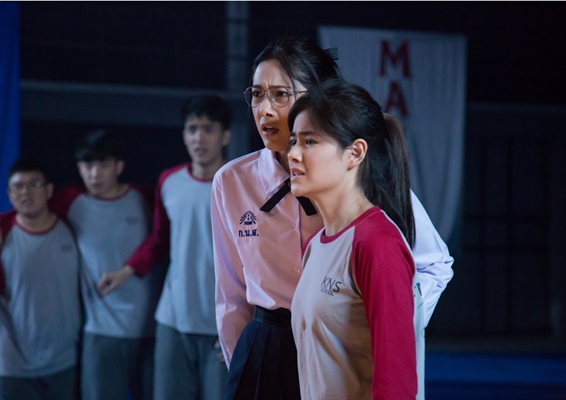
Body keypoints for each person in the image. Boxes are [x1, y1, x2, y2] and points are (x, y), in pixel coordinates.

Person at [211, 35, 453, 399]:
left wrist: (386, 322)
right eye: (257, 95)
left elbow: (433, 265)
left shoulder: (367, 194)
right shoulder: (232, 181)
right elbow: (231, 294)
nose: (265, 110)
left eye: (281, 94)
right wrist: (243, 363)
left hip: (339, 343)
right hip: (267, 346)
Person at [0, 130, 163, 400]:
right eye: (88, 166)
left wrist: (129, 269)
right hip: (99, 331)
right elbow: (29, 205)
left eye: (103, 164)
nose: (95, 174)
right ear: (79, 168)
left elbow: (163, 239)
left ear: (119, 166)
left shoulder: (144, 198)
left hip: (149, 328)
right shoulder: (72, 201)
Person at [288, 79, 424, 399]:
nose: (292, 154)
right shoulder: (316, 245)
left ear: (355, 153)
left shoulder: (378, 244)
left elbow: (397, 385)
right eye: (293, 141)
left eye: (309, 141)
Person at [96, 95, 232, 400]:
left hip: (220, 323)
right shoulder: (170, 181)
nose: (199, 138)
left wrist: (242, 319)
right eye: (192, 129)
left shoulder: (239, 183)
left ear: (225, 136)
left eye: (208, 129)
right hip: (173, 319)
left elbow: (254, 258)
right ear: (184, 135)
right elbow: (160, 239)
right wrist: (125, 272)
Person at [0, 158, 81, 400]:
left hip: (64, 362)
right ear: (9, 194)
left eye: (35, 184)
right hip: (14, 366)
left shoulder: (71, 227)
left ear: (49, 190)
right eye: (18, 186)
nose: (26, 192)